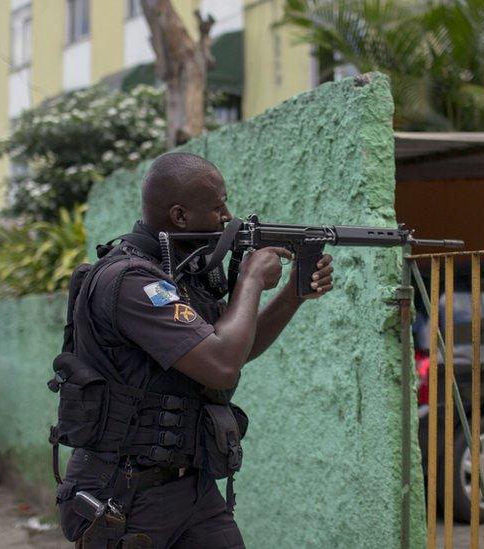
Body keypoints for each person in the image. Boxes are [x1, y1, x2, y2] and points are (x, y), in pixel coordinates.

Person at [53, 151, 334, 548]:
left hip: (191, 488)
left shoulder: (177, 276)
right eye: (218, 207)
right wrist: (250, 279)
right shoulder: (131, 281)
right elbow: (221, 365)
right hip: (125, 491)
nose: (227, 217)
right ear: (180, 216)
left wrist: (293, 295)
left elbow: (235, 348)